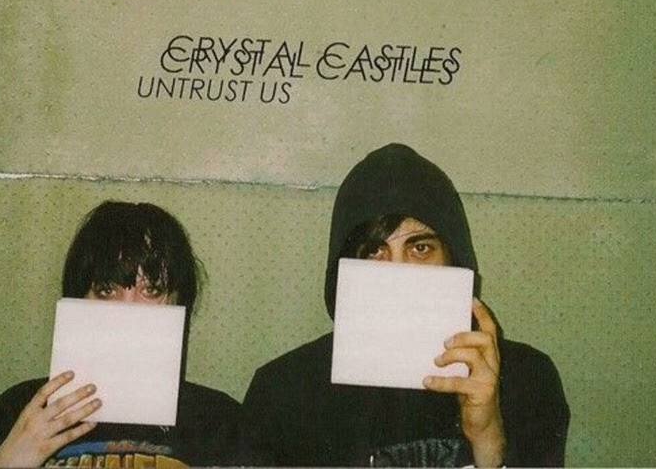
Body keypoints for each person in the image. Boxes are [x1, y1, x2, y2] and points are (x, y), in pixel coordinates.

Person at [239, 143, 570, 467]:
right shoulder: (284, 391)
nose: (398, 271)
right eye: (374, 251)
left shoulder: (525, 379)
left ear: (454, 260)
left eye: (420, 249)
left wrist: (488, 439)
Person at [0, 200, 241, 467]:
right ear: (78, 298)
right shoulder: (23, 408)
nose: (127, 310)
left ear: (178, 302)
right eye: (106, 290)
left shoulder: (218, 419)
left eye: (151, 290)